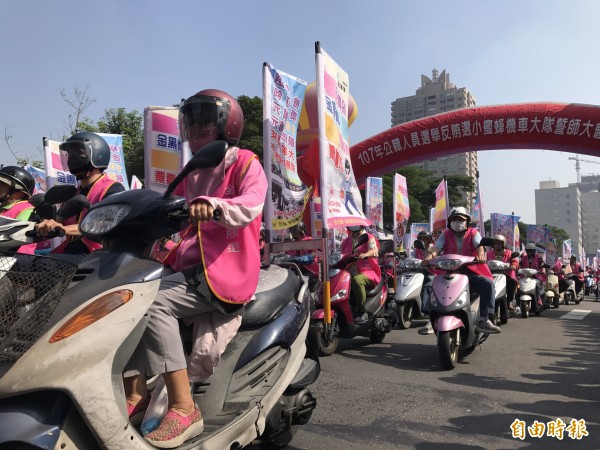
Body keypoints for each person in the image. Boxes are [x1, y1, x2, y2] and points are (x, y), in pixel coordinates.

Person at [122, 89, 267, 448]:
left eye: (206, 120)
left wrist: (214, 205)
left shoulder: (246, 161)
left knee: (154, 303)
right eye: (193, 120)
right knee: (125, 296)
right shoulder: (191, 171)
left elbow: (251, 203)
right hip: (186, 267)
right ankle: (136, 393)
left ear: (225, 125)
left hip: (224, 270)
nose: (198, 127)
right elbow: (167, 207)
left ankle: (184, 407)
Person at [35, 131, 125, 254]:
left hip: (98, 253)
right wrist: (47, 225)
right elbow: (59, 223)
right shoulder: (72, 193)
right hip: (72, 250)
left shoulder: (112, 188)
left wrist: (65, 229)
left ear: (97, 154)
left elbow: (107, 222)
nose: (72, 157)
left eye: (78, 152)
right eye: (70, 154)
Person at [423, 207, 501, 334]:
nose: (457, 222)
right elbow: (436, 248)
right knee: (428, 285)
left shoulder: (474, 233)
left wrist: (480, 256)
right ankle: (429, 318)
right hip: (448, 271)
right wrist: (428, 257)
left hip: (469, 271)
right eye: (454, 219)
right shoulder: (445, 234)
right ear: (450, 221)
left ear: (467, 221)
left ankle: (484, 319)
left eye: (461, 219)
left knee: (487, 284)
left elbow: (479, 245)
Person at [341, 224, 381, 324]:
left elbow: (374, 251)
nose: (354, 228)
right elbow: (339, 252)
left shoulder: (369, 237)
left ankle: (362, 311)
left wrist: (366, 254)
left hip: (367, 272)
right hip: (348, 272)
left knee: (357, 280)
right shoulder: (346, 240)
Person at [0, 166, 40, 254]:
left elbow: (13, 237)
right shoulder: (2, 208)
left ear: (18, 191)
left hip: (15, 262)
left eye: (1, 184)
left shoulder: (27, 210)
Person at [486, 234, 519, 312]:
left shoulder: (509, 253)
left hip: (506, 274)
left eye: (499, 243)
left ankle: (509, 302)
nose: (497, 245)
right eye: (495, 243)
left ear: (503, 244)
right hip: (492, 274)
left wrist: (513, 265)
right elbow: (485, 262)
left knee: (512, 281)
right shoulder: (488, 253)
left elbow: (515, 261)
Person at [412, 231, 436, 335]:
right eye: (421, 238)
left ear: (429, 239)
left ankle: (426, 311)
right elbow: (412, 257)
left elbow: (435, 257)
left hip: (432, 273)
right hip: (418, 272)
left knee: (428, 284)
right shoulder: (417, 249)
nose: (423, 240)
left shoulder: (433, 248)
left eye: (425, 238)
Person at [520, 243, 548, 308]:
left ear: (534, 251)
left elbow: (542, 264)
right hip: (525, 276)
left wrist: (543, 270)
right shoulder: (523, 258)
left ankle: (538, 297)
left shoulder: (538, 257)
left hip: (536, 276)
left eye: (531, 251)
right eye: (528, 250)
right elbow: (520, 265)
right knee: (519, 283)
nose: (530, 252)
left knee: (537, 284)